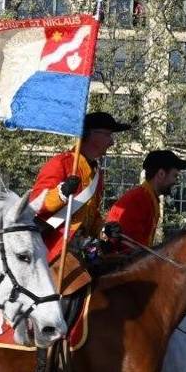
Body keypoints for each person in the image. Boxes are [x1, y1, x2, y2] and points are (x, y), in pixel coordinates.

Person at [27, 111, 131, 264]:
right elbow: (36, 203)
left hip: (85, 250)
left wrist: (104, 229)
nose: (112, 142)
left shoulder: (97, 174)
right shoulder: (61, 163)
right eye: (108, 135)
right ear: (92, 134)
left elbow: (91, 217)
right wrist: (60, 194)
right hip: (57, 251)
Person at [105, 149, 186, 249]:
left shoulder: (149, 198)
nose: (175, 181)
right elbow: (131, 249)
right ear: (161, 174)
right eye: (174, 176)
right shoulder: (139, 200)